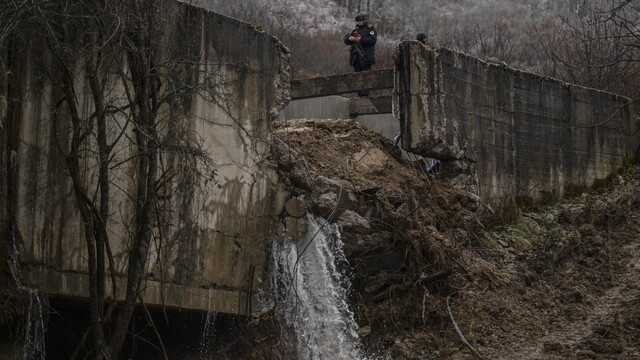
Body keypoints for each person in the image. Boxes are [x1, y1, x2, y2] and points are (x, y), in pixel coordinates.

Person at [344, 12, 377, 97]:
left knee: (366, 78)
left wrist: (360, 39)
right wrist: (349, 38)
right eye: (357, 21)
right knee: (357, 78)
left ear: (364, 20)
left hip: (366, 58)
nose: (358, 23)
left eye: (359, 21)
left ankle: (365, 95)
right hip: (356, 58)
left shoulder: (371, 29)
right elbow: (346, 40)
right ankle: (359, 95)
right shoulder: (356, 30)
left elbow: (372, 40)